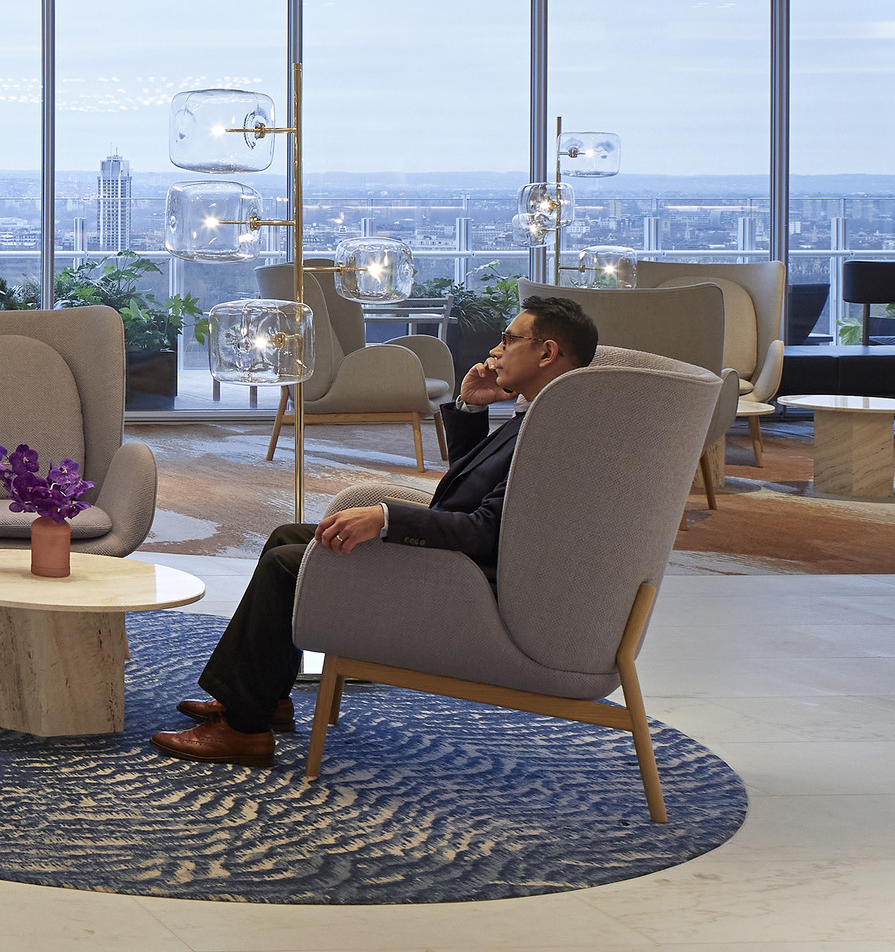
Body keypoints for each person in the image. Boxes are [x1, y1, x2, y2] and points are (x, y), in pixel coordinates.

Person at [148, 290, 601, 768]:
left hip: (466, 586)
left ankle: (244, 731)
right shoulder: (541, 416)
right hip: (456, 562)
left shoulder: (553, 433)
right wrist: (470, 409)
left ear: (546, 353)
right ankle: (264, 697)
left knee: (288, 565)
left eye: (508, 339)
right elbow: (468, 489)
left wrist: (385, 519)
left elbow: (486, 530)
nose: (496, 350)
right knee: (288, 536)